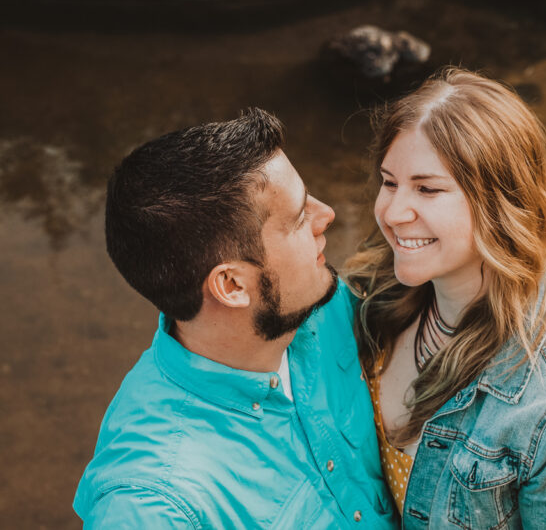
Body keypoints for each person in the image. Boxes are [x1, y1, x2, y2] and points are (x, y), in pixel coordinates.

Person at [344, 69, 546, 528]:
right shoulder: (377, 290)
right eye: (389, 182)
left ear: (501, 203)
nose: (392, 212)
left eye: (427, 189)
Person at [74, 109, 396, 528]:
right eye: (299, 218)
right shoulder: (153, 506)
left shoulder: (323, 306)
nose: (327, 215)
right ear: (231, 286)